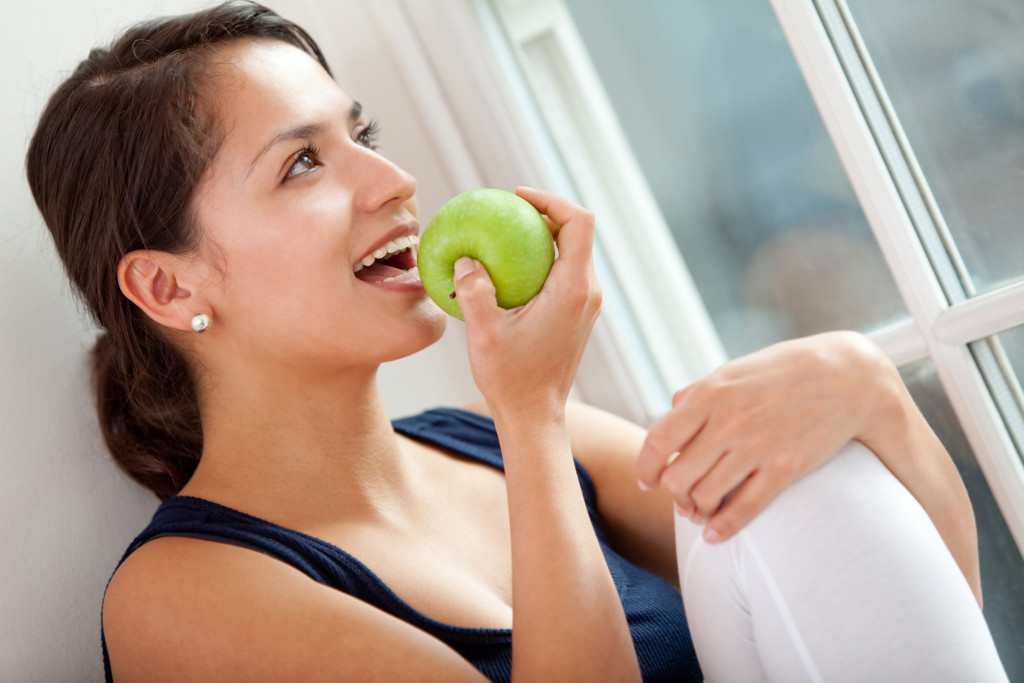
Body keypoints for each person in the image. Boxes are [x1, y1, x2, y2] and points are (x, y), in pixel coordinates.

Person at [25, 2, 1007, 681]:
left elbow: (889, 611)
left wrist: (866, 386)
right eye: (304, 163)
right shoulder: (179, 596)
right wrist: (530, 413)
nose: (391, 179)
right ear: (168, 284)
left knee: (780, 461)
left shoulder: (492, 440)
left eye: (362, 131)